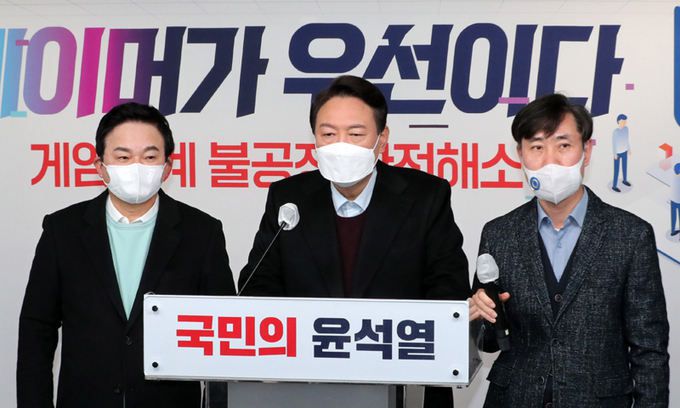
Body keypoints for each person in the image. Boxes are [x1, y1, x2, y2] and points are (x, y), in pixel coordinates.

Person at [239, 75, 470, 407]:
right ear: (314, 138)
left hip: (404, 383)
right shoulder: (288, 197)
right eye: (328, 134)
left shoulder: (425, 196)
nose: (341, 145)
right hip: (308, 386)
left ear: (382, 138)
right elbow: (258, 286)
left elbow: (448, 289)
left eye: (356, 134)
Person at [17, 102, 236, 408]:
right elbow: (37, 329)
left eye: (149, 157)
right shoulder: (62, 230)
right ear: (100, 167)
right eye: (123, 157)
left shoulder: (202, 233)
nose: (137, 166)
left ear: (167, 167)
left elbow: (225, 335)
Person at [469, 94, 669, 407]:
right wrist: (482, 317)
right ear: (520, 154)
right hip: (514, 398)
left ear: (586, 151)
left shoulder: (630, 234)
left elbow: (650, 349)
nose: (550, 160)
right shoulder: (499, 234)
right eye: (537, 147)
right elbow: (487, 342)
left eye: (563, 145)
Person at [612, 113, 631, 192]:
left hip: (624, 151)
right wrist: (615, 154)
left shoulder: (626, 129)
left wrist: (629, 149)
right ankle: (614, 186)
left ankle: (624, 180)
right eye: (623, 121)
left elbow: (627, 139)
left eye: (625, 121)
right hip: (618, 153)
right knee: (616, 170)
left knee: (624, 167)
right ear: (618, 121)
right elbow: (614, 143)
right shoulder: (615, 132)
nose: (624, 123)